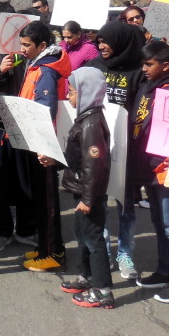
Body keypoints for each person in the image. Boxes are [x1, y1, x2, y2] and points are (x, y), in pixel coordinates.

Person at [0, 21, 71, 272]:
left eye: (27, 45)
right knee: (40, 199)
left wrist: (42, 145)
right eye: (22, 44)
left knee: (48, 201)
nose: (23, 49)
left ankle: (54, 253)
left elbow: (45, 110)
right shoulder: (37, 64)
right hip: (35, 141)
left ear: (42, 45)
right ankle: (45, 247)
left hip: (44, 146)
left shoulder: (47, 70)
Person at [130, 41, 169, 303]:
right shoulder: (148, 86)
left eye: (149, 64)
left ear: (165, 65)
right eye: (143, 64)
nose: (144, 69)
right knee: (158, 221)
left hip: (165, 166)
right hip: (147, 163)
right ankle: (165, 270)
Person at [85, 21, 146, 280]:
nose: (101, 46)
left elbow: (143, 108)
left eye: (106, 41)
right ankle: (104, 252)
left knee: (125, 205)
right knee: (98, 202)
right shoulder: (94, 66)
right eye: (99, 41)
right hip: (96, 146)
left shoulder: (139, 70)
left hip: (127, 148)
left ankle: (125, 252)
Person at [47, 67, 114, 308]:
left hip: (89, 195)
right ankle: (86, 277)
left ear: (88, 92)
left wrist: (88, 199)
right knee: (83, 237)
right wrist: (54, 161)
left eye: (73, 92)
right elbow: (77, 158)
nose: (70, 97)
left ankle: (104, 290)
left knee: (94, 240)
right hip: (81, 191)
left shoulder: (91, 124)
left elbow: (94, 165)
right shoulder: (86, 118)